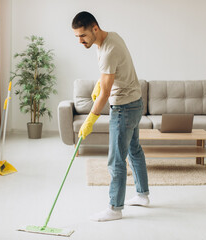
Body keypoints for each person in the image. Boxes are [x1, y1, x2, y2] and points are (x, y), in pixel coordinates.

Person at [72, 11, 149, 222]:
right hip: (135, 103)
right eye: (77, 36)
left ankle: (114, 209)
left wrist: (89, 121)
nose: (80, 41)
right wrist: (100, 82)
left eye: (83, 36)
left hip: (123, 108)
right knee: (134, 150)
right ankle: (142, 195)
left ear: (95, 28)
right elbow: (112, 73)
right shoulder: (111, 37)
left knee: (116, 160)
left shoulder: (108, 51)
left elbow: (105, 94)